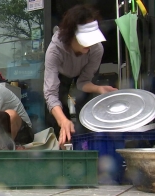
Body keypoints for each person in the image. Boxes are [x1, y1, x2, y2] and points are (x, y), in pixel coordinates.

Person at [44, 4, 118, 145]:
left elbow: (83, 82)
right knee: (57, 116)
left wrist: (99, 89)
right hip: (61, 76)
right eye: (85, 39)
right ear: (71, 35)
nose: (89, 44)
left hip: (82, 76)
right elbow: (50, 93)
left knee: (88, 108)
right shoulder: (54, 51)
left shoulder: (96, 49)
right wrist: (63, 121)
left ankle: (89, 146)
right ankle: (61, 151)